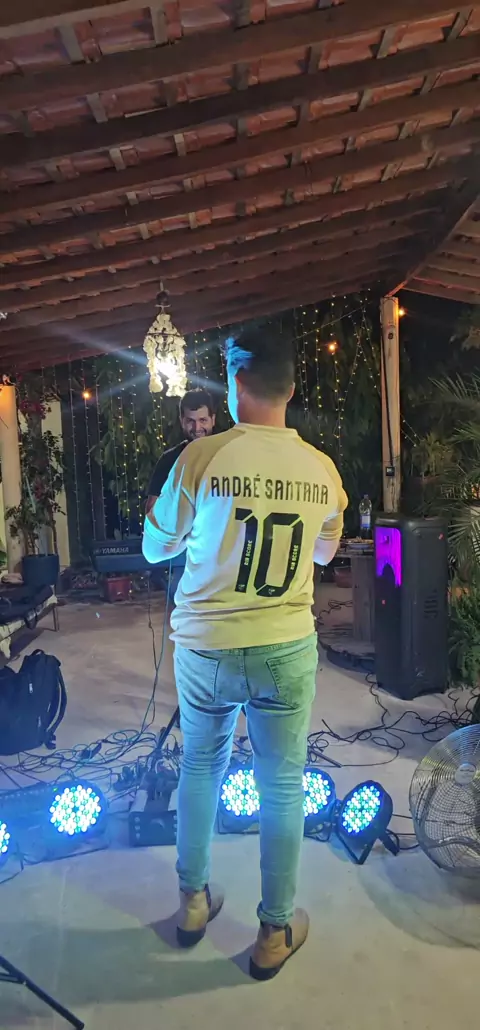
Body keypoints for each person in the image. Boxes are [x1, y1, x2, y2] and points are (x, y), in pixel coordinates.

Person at [142, 329, 347, 981]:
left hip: (206, 646)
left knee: (201, 766)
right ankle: (273, 932)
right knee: (281, 783)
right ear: (291, 387)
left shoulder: (202, 457)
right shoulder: (321, 469)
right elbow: (324, 551)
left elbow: (154, 548)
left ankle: (193, 903)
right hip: (285, 645)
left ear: (234, 384)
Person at [146, 388, 216, 513]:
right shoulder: (169, 459)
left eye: (203, 420)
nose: (197, 428)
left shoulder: (225, 454)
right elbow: (152, 508)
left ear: (213, 420)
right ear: (181, 421)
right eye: (190, 421)